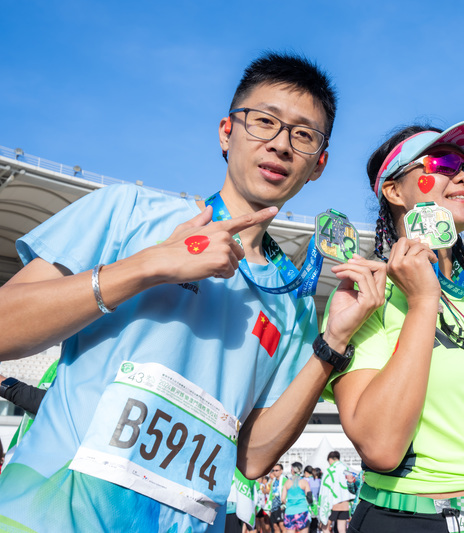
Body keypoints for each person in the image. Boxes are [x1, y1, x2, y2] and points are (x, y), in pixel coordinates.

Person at [0, 52, 386, 533]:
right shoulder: (131, 212)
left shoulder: (293, 302)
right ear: (227, 132)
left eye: (303, 135)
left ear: (318, 165)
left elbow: (253, 457)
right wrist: (148, 265)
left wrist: (333, 343)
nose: (281, 144)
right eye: (264, 121)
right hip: (48, 515)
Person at [323, 122, 464, 532]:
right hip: (412, 518)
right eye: (443, 162)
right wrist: (422, 302)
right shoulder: (367, 293)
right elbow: (380, 447)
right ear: (394, 191)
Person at [318, 451, 353, 532]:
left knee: (325, 527)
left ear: (330, 459)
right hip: (345, 504)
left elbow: (325, 489)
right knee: (342, 529)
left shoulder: (329, 470)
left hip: (333, 503)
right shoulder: (346, 469)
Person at [282, 462, 311, 533]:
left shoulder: (287, 482)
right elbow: (310, 497)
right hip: (302, 510)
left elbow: (282, 499)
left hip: (289, 511)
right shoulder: (304, 482)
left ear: (292, 470)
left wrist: (289, 504)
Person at [267, 464, 288, 533]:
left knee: (282, 525)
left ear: (281, 471)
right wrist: (269, 507)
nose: (275, 472)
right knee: (275, 526)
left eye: (277, 470)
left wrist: (285, 503)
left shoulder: (285, 480)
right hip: (274, 507)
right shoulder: (273, 481)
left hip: (282, 506)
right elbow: (270, 494)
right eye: (273, 470)